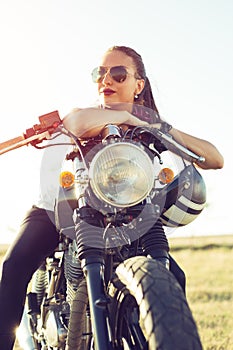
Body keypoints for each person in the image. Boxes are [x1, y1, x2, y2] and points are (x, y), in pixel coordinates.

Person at [0, 45, 224, 349]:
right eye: (100, 73)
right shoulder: (85, 115)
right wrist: (132, 116)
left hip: (127, 215)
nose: (107, 80)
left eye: (118, 74)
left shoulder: (150, 127)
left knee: (175, 275)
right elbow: (75, 124)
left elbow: (214, 158)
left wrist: (160, 126)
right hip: (61, 207)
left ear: (138, 85)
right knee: (14, 266)